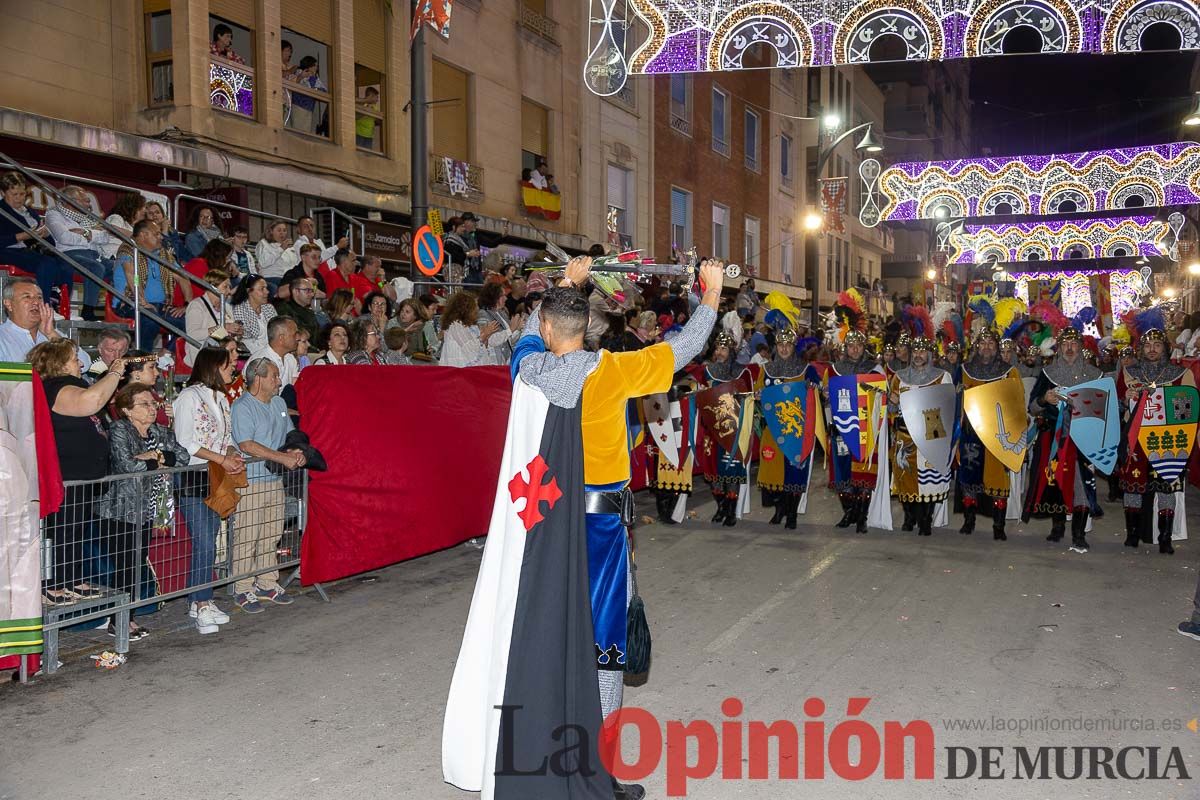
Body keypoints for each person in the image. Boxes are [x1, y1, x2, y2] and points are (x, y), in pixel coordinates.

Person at [466, 256, 723, 800]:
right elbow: (686, 347)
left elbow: (525, 348)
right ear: (587, 330)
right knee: (604, 646)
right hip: (603, 529)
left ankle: (548, 751)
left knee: (555, 631)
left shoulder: (534, 367)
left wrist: (565, 285)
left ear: (545, 327)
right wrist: (712, 292)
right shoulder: (615, 370)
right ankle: (595, 774)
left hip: (550, 522)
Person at [31, 339, 129, 605]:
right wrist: (115, 372)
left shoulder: (71, 384)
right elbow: (92, 401)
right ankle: (54, 584)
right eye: (74, 358)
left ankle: (71, 578)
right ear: (60, 363)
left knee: (76, 529)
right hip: (65, 476)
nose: (81, 363)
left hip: (83, 475)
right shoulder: (56, 388)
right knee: (62, 530)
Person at [96, 381, 191, 639]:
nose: (152, 408)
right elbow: (126, 465)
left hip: (150, 508)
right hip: (119, 510)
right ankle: (119, 619)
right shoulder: (119, 429)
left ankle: (128, 617)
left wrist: (153, 457)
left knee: (137, 564)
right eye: (145, 404)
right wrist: (158, 458)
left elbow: (182, 457)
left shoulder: (160, 431)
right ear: (127, 409)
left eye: (153, 403)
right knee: (124, 564)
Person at [173, 347, 244, 635]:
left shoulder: (222, 398)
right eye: (228, 365)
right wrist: (222, 458)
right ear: (213, 367)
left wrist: (230, 452)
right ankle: (202, 602)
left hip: (214, 475)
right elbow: (186, 442)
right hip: (192, 476)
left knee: (210, 540)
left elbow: (224, 438)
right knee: (204, 542)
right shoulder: (189, 397)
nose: (233, 370)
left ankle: (199, 599)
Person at [1116, 320, 1194, 553]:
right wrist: (1126, 397)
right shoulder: (1130, 373)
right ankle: (1132, 534)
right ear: (1141, 349)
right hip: (1136, 437)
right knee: (1133, 486)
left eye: (1157, 345)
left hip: (1166, 438)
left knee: (1166, 486)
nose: (1152, 349)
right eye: (1148, 345)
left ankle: (1166, 537)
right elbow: (1116, 407)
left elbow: (1189, 409)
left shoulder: (1180, 374)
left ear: (1165, 348)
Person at [230, 357, 300, 613]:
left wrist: (296, 450)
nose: (279, 381)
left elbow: (289, 433)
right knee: (247, 537)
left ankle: (267, 582)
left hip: (275, 479)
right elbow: (246, 444)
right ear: (258, 378)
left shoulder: (279, 403)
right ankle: (242, 587)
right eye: (274, 376)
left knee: (271, 534)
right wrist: (282, 457)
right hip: (251, 481)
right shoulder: (242, 407)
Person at [1022, 326, 1102, 552]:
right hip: (1053, 437)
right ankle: (1057, 527)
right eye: (1065, 344)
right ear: (1059, 348)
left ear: (1080, 347)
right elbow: (1033, 406)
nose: (1069, 348)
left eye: (1073, 344)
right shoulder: (1048, 373)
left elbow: (1105, 407)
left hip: (1083, 439)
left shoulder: (1095, 375)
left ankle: (1078, 534)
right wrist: (1045, 400)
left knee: (1082, 484)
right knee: (1055, 482)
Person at [957, 328, 1019, 540]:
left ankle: (998, 526)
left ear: (997, 347)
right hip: (970, 433)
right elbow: (955, 398)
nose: (986, 347)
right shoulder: (965, 369)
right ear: (976, 346)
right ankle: (969, 521)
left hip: (997, 433)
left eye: (991, 344)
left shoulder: (1008, 371)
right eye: (982, 343)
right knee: (969, 478)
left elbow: (1016, 400)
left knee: (997, 480)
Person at [888, 337, 952, 536]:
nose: (917, 355)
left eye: (922, 351)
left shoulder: (942, 377)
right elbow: (891, 409)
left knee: (929, 482)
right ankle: (909, 516)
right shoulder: (898, 377)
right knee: (905, 477)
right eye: (915, 351)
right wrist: (892, 402)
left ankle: (925, 518)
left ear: (930, 354)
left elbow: (948, 409)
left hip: (930, 437)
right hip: (904, 435)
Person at [758, 327, 821, 529]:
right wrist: (758, 395)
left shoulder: (806, 369)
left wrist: (814, 388)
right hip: (772, 430)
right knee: (774, 474)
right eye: (780, 345)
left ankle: (791, 513)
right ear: (775, 347)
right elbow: (758, 393)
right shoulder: (766, 370)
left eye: (788, 345)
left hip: (796, 431)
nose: (784, 349)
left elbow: (818, 392)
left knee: (794, 474)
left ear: (794, 347)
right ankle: (779, 510)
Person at [824, 331, 882, 533]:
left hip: (865, 430)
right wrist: (825, 396)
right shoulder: (833, 371)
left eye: (858, 345)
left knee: (863, 473)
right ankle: (849, 512)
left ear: (864, 347)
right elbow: (826, 399)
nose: (855, 349)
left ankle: (861, 516)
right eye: (851, 345)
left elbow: (881, 399)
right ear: (845, 348)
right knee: (843, 472)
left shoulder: (874, 370)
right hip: (841, 428)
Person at [0, 172, 75, 308]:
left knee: (67, 266)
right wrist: (22, 236)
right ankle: (44, 306)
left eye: (22, 194)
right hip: (7, 250)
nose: (19, 199)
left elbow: (50, 244)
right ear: (3, 193)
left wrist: (45, 234)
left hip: (30, 250)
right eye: (14, 194)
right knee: (47, 264)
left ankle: (59, 305)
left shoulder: (30, 211)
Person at [702, 331, 752, 527]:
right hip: (711, 429)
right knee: (713, 471)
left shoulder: (741, 373)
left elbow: (747, 399)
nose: (720, 352)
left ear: (731, 351)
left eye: (724, 349)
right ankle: (721, 506)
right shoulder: (707, 372)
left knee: (730, 471)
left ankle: (730, 510)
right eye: (718, 348)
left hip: (732, 430)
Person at [45, 185, 114, 312]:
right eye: (85, 200)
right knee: (96, 268)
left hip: (95, 255)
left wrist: (85, 233)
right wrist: (91, 236)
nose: (89, 204)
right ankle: (88, 310)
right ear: (69, 201)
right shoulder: (54, 214)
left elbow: (105, 237)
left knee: (119, 267)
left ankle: (116, 309)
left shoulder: (88, 217)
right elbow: (64, 237)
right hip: (68, 255)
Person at [114, 220, 175, 350]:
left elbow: (183, 277)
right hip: (129, 304)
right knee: (151, 319)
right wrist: (142, 301)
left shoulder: (162, 255)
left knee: (191, 321)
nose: (161, 237)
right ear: (143, 235)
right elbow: (133, 276)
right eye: (157, 234)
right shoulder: (128, 249)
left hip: (159, 306)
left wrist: (187, 305)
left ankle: (165, 354)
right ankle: (142, 359)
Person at [88, 191, 146, 320]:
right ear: (134, 206)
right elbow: (111, 228)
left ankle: (137, 302)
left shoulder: (133, 227)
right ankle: (119, 306)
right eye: (143, 207)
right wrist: (139, 237)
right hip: (112, 259)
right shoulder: (117, 218)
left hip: (129, 263)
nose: (145, 211)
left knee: (137, 277)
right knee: (128, 276)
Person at [438, 291, 516, 367]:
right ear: (465, 309)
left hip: (472, 372)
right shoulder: (455, 326)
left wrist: (509, 331)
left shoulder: (472, 326)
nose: (477, 309)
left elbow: (491, 341)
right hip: (458, 373)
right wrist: (484, 335)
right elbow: (469, 348)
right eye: (475, 306)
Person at [184, 269, 241, 367]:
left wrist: (238, 332)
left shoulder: (226, 307)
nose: (229, 291)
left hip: (223, 353)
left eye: (229, 287)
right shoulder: (196, 305)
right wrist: (222, 328)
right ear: (212, 287)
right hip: (202, 355)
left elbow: (231, 336)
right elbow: (192, 335)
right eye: (225, 287)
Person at [0, 278, 63, 362]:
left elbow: (84, 363)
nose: (36, 302)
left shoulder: (52, 334)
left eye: (39, 297)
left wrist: (51, 334)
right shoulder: (2, 337)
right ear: (9, 304)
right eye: (27, 297)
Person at [176, 237, 231, 309]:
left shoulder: (210, 267)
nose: (228, 260)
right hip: (185, 305)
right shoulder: (199, 264)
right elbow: (200, 293)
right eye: (227, 257)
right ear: (218, 255)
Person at [230, 274, 277, 354]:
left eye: (266, 288)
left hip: (272, 349)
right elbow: (244, 338)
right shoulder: (240, 310)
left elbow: (277, 330)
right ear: (249, 291)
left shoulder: (269, 308)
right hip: (253, 352)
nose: (267, 292)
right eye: (262, 289)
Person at [250, 316, 300, 389]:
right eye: (295, 335)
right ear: (281, 338)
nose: (298, 338)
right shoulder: (260, 361)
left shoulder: (290, 359)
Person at [255, 220, 299, 290]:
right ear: (271, 231)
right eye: (279, 230)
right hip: (271, 277)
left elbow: (295, 265)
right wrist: (281, 248)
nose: (282, 233)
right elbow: (263, 262)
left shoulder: (290, 248)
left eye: (284, 230)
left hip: (288, 279)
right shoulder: (263, 243)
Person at [444, 214, 482, 285]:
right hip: (453, 272)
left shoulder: (457, 239)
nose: (463, 229)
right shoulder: (450, 240)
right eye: (461, 227)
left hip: (459, 271)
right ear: (454, 227)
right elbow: (454, 256)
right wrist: (469, 254)